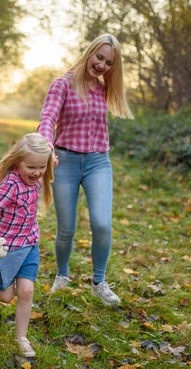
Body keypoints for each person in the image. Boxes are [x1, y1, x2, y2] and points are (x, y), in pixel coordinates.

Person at [37, 33, 134, 306]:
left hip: (98, 163)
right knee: (66, 228)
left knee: (102, 224)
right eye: (99, 57)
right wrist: (47, 147)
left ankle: (98, 281)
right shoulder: (63, 85)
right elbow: (47, 119)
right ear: (89, 53)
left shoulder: (104, 89)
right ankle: (62, 276)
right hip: (65, 161)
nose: (102, 65)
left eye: (109, 62)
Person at [0, 133, 54, 358]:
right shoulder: (10, 186)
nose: (37, 173)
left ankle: (21, 337)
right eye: (31, 167)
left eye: (42, 167)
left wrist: (50, 160)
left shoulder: (37, 177)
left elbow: (46, 159)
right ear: (18, 161)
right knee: (6, 296)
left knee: (26, 290)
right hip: (6, 249)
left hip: (29, 244)